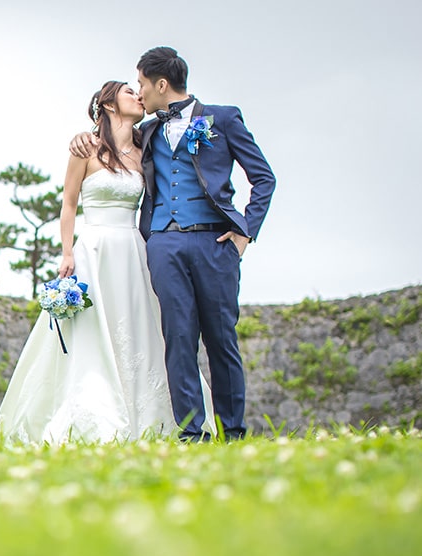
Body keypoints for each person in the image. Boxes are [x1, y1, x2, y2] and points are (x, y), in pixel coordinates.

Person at [69, 46, 276, 441]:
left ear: (161, 83)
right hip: (162, 246)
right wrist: (84, 135)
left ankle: (233, 433)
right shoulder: (145, 131)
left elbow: (264, 178)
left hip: (215, 244)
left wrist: (245, 231)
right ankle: (190, 434)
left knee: (222, 340)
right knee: (178, 339)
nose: (140, 93)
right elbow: (109, 140)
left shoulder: (225, 119)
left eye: (143, 84)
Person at [0, 80, 212, 445]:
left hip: (134, 249)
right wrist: (66, 252)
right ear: (108, 105)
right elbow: (69, 203)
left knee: (143, 329)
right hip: (93, 249)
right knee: (91, 334)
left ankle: (160, 417)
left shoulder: (146, 147)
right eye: (129, 92)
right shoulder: (86, 149)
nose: (138, 96)